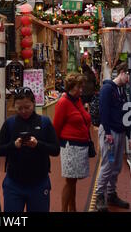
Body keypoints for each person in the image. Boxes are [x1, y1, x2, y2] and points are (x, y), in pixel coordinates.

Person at [0, 87, 60, 212]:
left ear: (34, 104)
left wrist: (38, 144)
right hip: (14, 183)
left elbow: (55, 150)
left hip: (39, 183)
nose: (24, 111)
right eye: (19, 108)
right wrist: (13, 145)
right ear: (14, 106)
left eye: (27, 107)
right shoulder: (9, 123)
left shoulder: (44, 122)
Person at [95, 61, 131, 212]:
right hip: (110, 133)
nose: (129, 80)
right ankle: (99, 196)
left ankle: (111, 194)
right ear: (123, 72)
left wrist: (128, 135)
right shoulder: (108, 89)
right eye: (129, 76)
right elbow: (103, 112)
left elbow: (126, 114)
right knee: (108, 165)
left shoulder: (122, 90)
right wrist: (108, 133)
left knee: (116, 165)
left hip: (120, 132)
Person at [53, 73, 92, 212]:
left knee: (73, 181)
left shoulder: (77, 100)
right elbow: (56, 126)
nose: (81, 90)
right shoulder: (63, 103)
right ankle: (65, 209)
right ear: (71, 87)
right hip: (70, 147)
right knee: (70, 182)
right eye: (79, 87)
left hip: (80, 146)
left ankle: (73, 208)